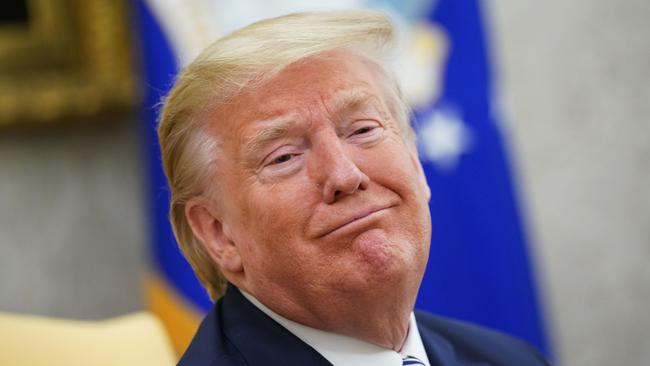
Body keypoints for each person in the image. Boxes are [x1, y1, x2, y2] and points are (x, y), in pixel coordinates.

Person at [157, 10, 549, 366]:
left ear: (414, 160)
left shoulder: (508, 358)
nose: (344, 175)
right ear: (218, 232)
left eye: (363, 129)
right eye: (283, 157)